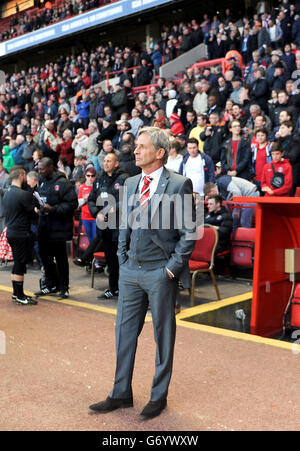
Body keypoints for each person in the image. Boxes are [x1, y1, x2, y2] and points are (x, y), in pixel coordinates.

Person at [89, 126, 196, 420]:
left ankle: (157, 397)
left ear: (160, 153)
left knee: (163, 336)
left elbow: (189, 233)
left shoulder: (179, 184)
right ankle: (120, 393)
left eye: (142, 146)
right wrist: (122, 259)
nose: (135, 151)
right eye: (135, 146)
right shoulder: (132, 181)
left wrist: (171, 270)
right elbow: (124, 223)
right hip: (130, 272)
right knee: (124, 334)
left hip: (160, 273)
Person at [35, 157, 78, 299]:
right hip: (43, 227)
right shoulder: (41, 182)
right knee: (45, 258)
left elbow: (72, 204)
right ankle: (50, 285)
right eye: (39, 169)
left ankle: (64, 288)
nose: (39, 171)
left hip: (58, 228)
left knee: (60, 259)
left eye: (42, 169)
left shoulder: (63, 183)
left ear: (50, 167)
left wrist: (53, 209)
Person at [88, 152, 127, 299]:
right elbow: (92, 199)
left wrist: (113, 209)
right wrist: (96, 212)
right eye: (104, 161)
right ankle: (113, 288)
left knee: (122, 259)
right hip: (105, 226)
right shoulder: (99, 180)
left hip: (120, 226)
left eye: (109, 161)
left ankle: (126, 290)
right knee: (110, 259)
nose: (105, 163)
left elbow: (128, 200)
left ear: (116, 163)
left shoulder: (124, 178)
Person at [3, 166, 38, 305]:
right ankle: (19, 295)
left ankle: (16, 293)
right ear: (22, 176)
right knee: (19, 263)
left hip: (11, 231)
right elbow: (32, 213)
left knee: (17, 262)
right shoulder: (23, 194)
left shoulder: (7, 193)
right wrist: (36, 210)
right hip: (21, 232)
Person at [78, 167, 97, 244]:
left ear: (95, 176)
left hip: (95, 217)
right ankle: (92, 255)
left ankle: (96, 255)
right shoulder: (82, 187)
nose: (90, 178)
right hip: (85, 217)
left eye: (92, 176)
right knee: (90, 239)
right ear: (85, 176)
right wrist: (87, 199)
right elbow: (79, 203)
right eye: (88, 176)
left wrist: (87, 198)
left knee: (96, 239)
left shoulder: (98, 186)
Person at [0, 156, 10, 234]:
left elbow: (9, 191)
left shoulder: (7, 177)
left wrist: (0, 190)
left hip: (2, 210)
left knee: (3, 233)